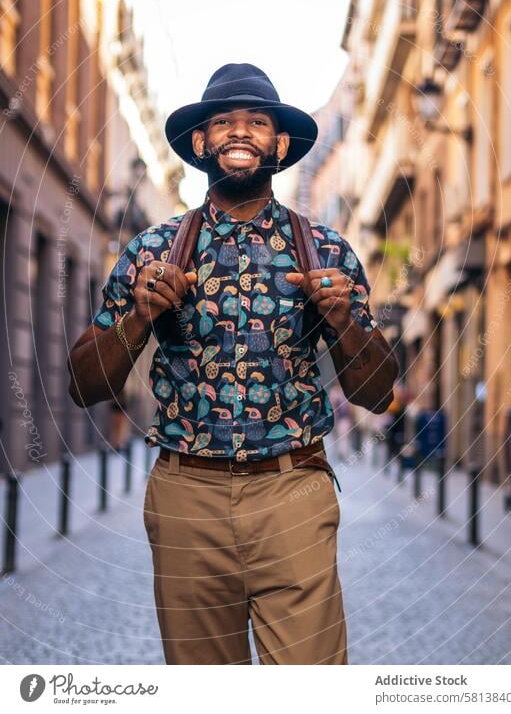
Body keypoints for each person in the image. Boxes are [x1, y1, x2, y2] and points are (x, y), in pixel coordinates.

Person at [67, 63, 399, 665]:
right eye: (224, 122)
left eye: (256, 122)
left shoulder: (325, 252)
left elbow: (378, 394)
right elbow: (82, 383)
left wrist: (344, 320)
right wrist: (138, 315)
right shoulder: (152, 252)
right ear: (201, 142)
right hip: (185, 495)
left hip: (292, 490)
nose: (240, 132)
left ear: (279, 143)